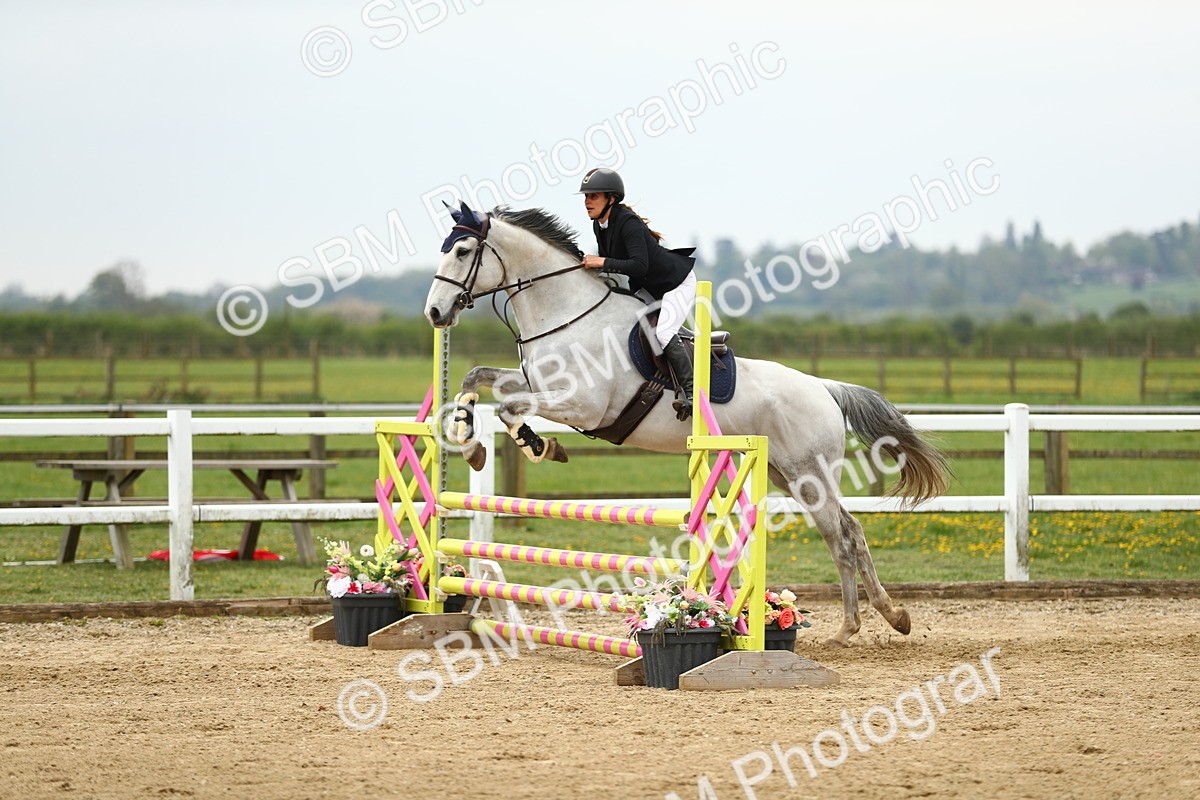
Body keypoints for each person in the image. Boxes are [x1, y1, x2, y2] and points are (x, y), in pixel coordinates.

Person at [578, 167, 698, 420]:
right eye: (586, 197)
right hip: (648, 286)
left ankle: (689, 394)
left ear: (611, 198)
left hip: (676, 284)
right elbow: (611, 263)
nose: (587, 202)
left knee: (664, 332)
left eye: (594, 196)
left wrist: (600, 262)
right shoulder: (599, 225)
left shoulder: (627, 222)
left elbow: (638, 265)